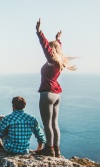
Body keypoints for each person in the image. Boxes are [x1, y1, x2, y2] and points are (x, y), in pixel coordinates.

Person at [35, 18, 76, 157]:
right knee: (54, 123)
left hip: (47, 94)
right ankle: (57, 150)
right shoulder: (59, 62)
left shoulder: (52, 60)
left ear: (52, 51)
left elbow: (45, 47)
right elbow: (55, 49)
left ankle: (49, 148)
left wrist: (39, 32)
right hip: (57, 95)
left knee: (47, 124)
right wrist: (58, 40)